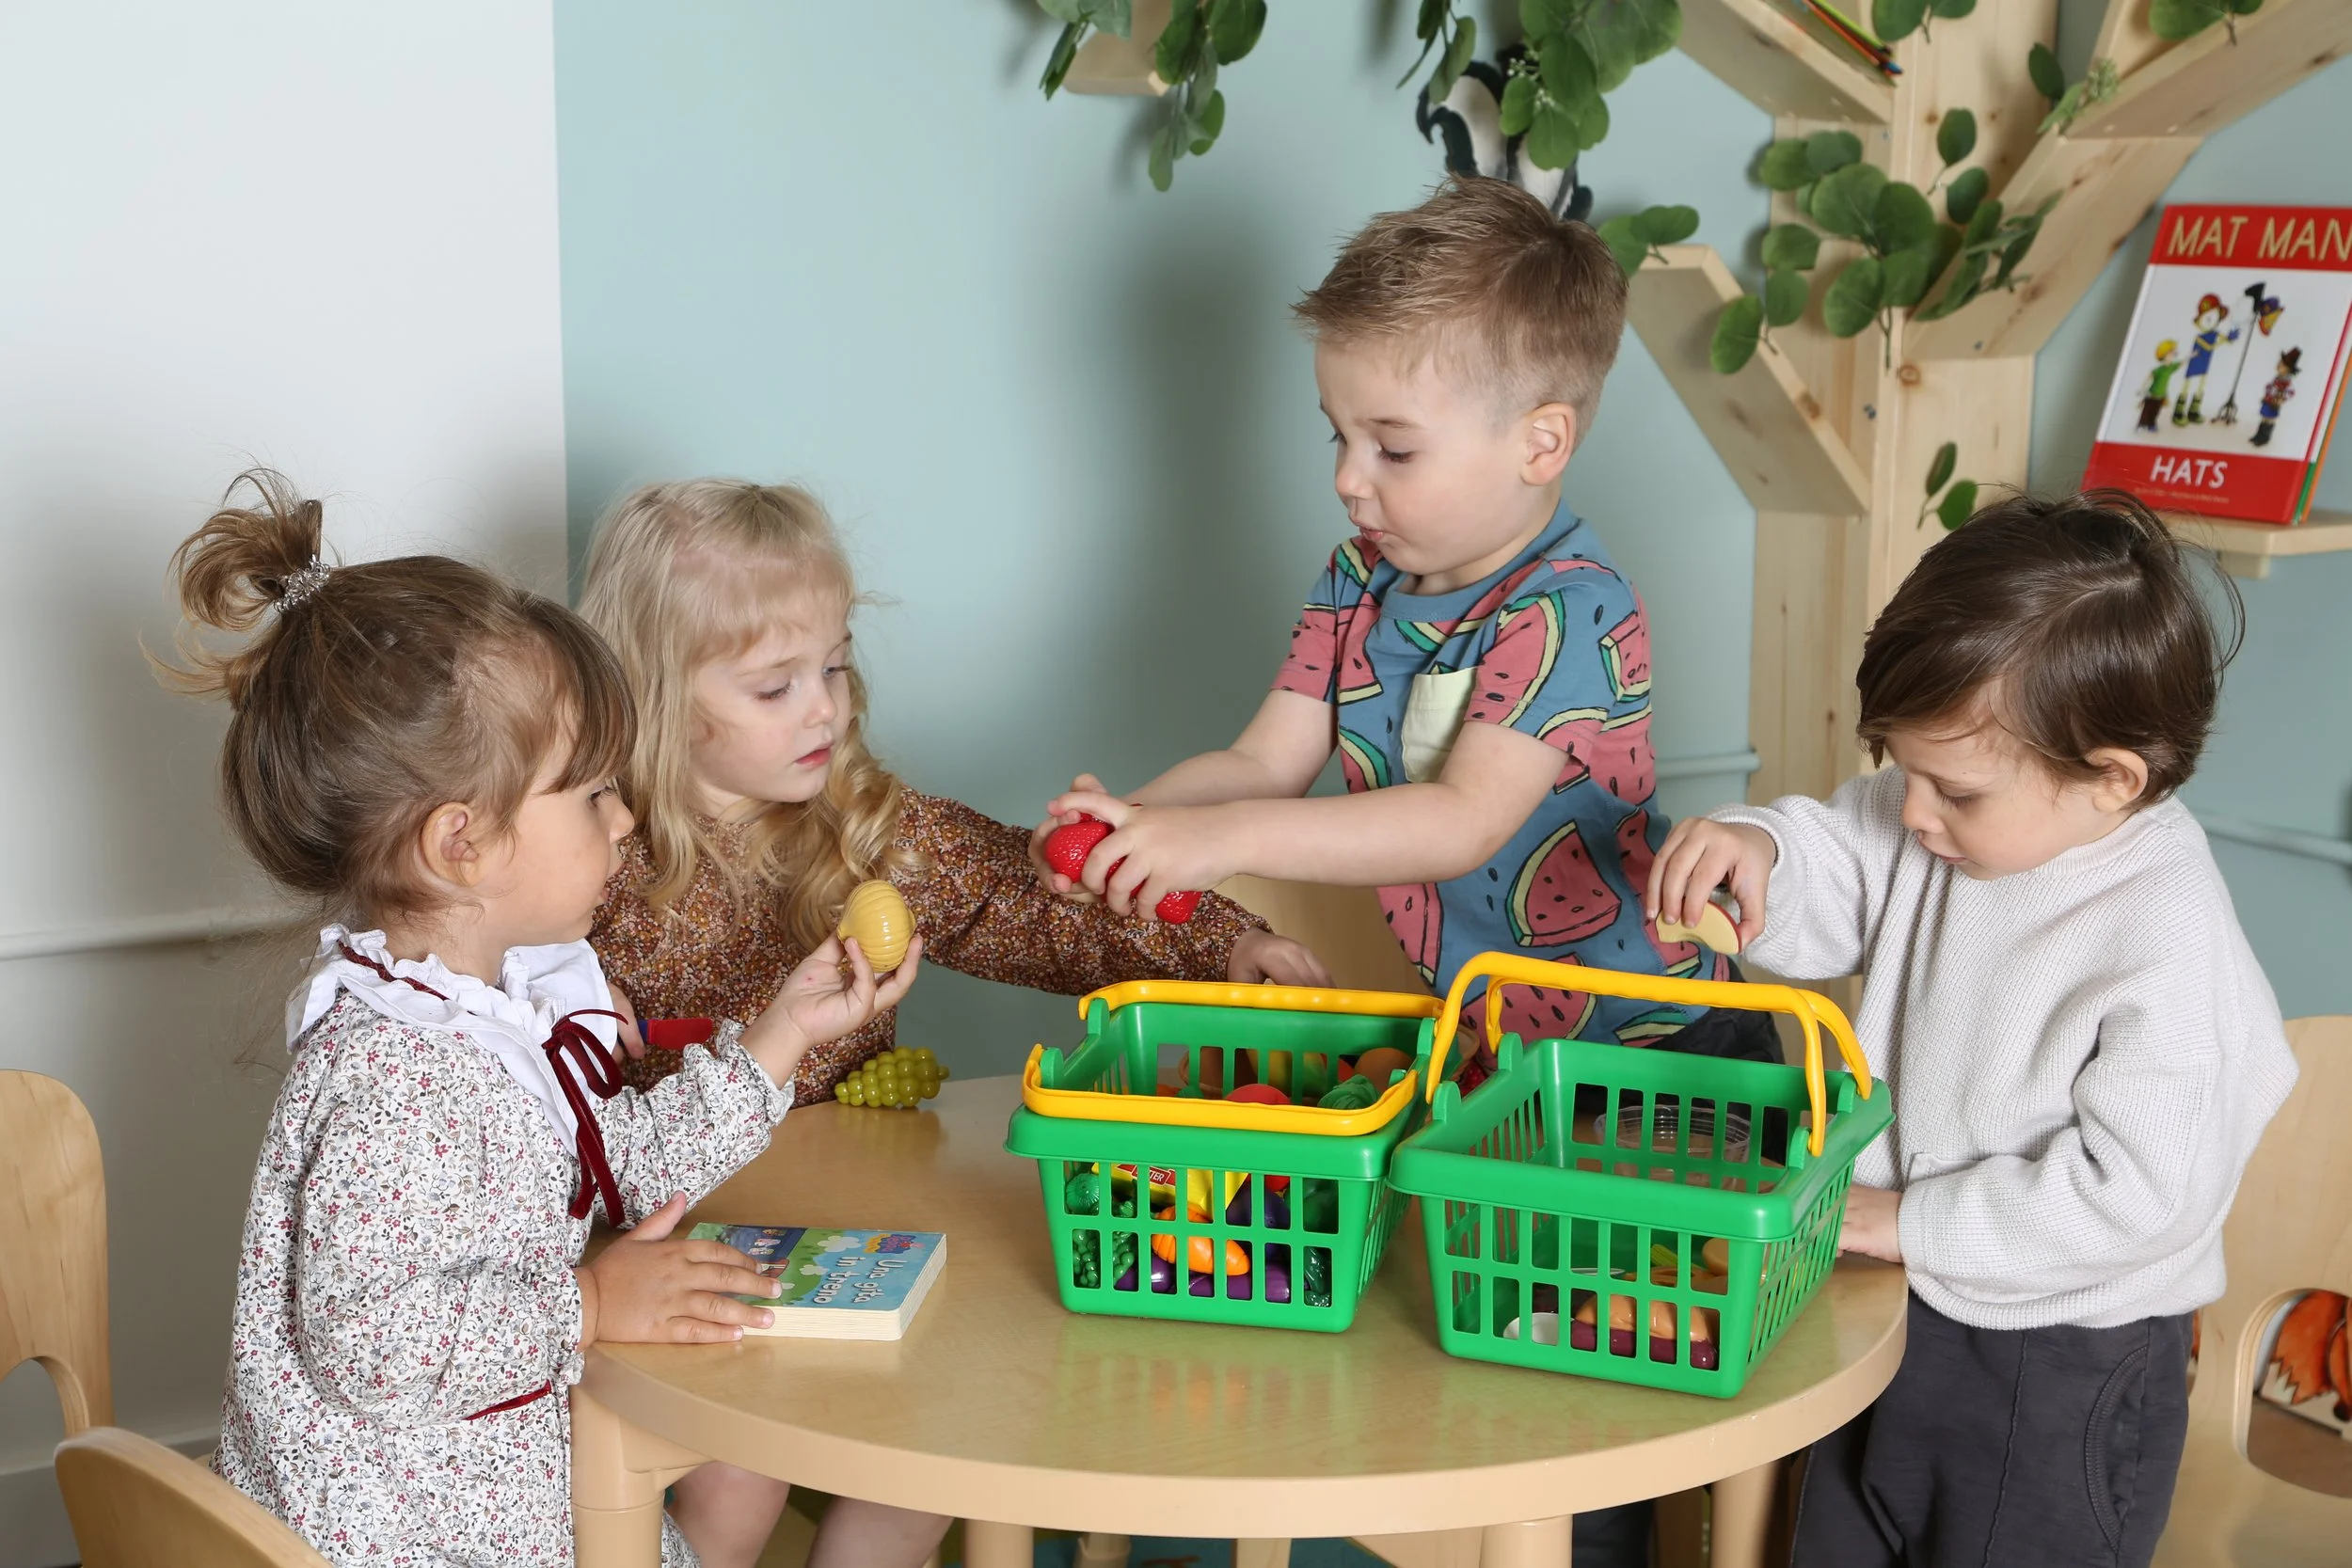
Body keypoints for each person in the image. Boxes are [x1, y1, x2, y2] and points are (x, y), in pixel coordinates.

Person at [1027, 174, 1778, 1567]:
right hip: (1497, 1049)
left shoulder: (1573, 607)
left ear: (1541, 441)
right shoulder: (1357, 579)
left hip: (1645, 1053)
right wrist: (1139, 813)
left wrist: (1219, 841)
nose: (1345, 476)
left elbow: (1457, 823)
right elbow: (1263, 759)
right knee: (1495, 1345)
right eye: (1336, 434)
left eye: (1391, 444)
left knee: (1583, 1383)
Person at [170, 472, 928, 1568]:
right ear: (460, 844)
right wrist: (588, 1299)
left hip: (484, 1495)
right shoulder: (395, 1071)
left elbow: (613, 1163)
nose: (625, 821)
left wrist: (779, 1035)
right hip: (403, 1538)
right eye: (590, 797)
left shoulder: (493, 1008)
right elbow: (372, 1344)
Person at [1648, 490, 2298, 1568]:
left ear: (2111, 780)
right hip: (1894, 1288)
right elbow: (1836, 852)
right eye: (1901, 768)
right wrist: (1758, 850)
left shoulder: (2169, 938)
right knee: (1831, 1535)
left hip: (2060, 1361)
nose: (1912, 811)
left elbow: (2136, 1195)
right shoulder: (1951, 818)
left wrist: (1911, 1219)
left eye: (1949, 787)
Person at [580, 478, 1327, 1114]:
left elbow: (1035, 908)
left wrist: (1228, 945)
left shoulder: (869, 828)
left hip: (847, 1200)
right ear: (656, 697)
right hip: (661, 1224)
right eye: (777, 686)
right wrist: (555, 990)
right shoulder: (584, 849)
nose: (822, 709)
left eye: (834, 667)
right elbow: (476, 983)